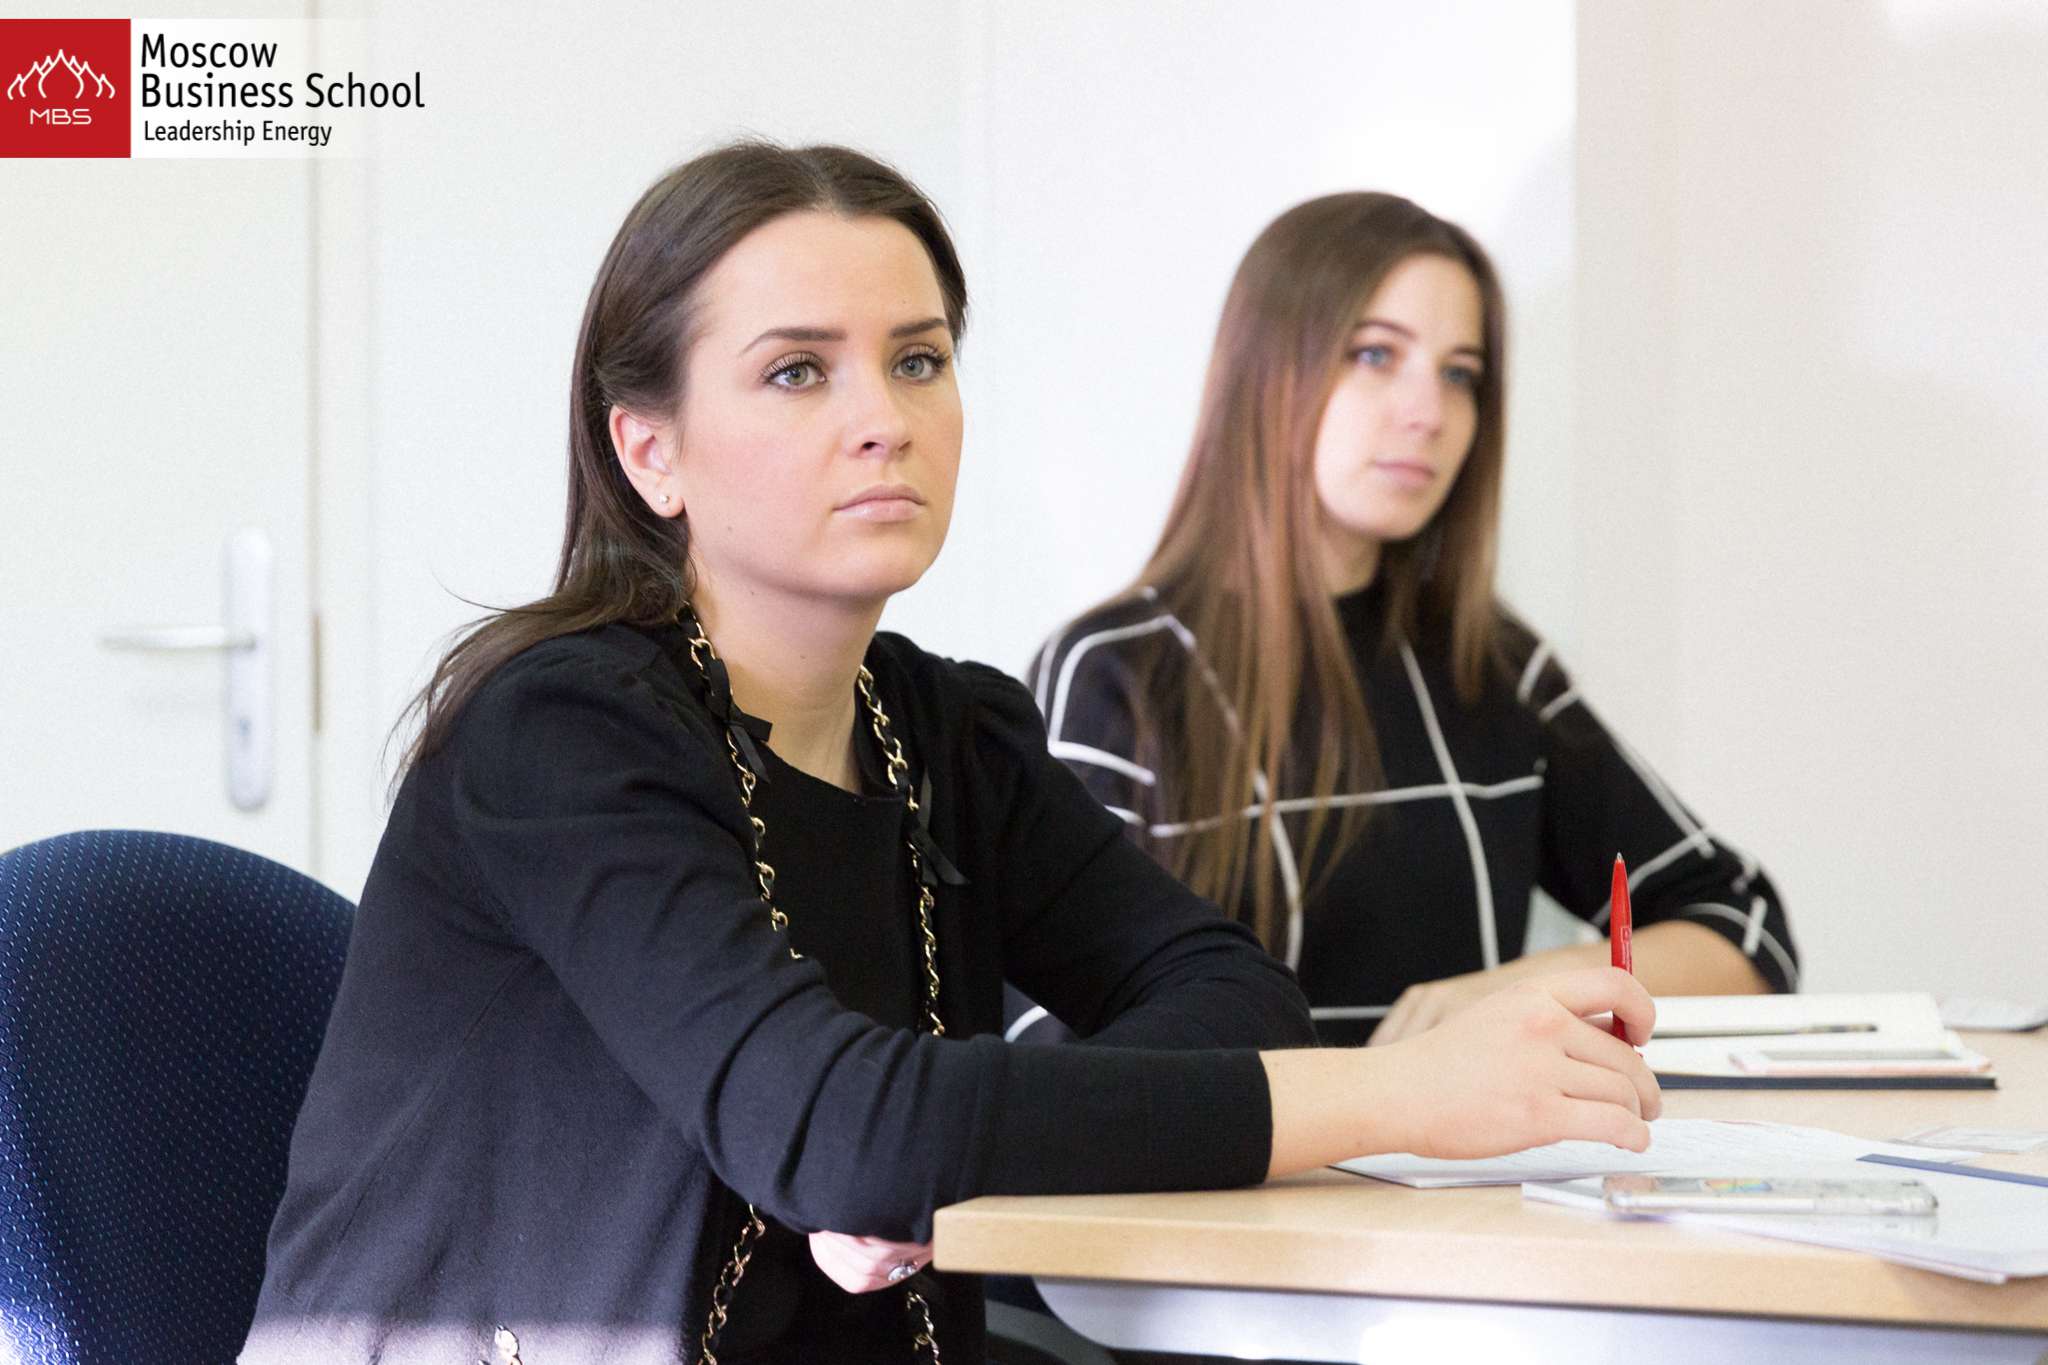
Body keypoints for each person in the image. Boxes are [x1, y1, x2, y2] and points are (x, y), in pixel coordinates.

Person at [240, 146, 1661, 1365]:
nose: (885, 418)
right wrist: (1404, 1095)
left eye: (918, 360)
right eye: (798, 371)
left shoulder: (941, 729)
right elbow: (845, 1133)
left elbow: (1232, 994)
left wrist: (934, 1143)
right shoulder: (559, 734)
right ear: (649, 452)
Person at [1026, 192, 1796, 1053]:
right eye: (1375, 354)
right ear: (1267, 369)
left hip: (1467, 1154)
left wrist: (1520, 991)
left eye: (1460, 374)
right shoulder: (1113, 676)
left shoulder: (1491, 668)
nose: (1429, 412)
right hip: (1234, 1150)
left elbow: (1745, 931)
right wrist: (1373, 1098)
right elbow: (1051, 1057)